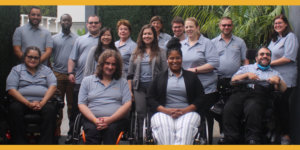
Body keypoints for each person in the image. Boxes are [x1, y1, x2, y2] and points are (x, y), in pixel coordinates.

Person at [147, 37, 205, 145]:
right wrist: (166, 111)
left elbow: (200, 98)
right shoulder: (159, 77)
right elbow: (150, 98)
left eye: (177, 58)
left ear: (182, 59)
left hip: (188, 112)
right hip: (163, 112)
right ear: (167, 60)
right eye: (171, 58)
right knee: (164, 128)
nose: (175, 61)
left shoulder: (191, 77)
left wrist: (184, 110)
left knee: (185, 129)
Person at [223, 47, 287, 144]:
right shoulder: (247, 68)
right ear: (256, 58)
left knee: (253, 107)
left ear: (270, 58)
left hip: (259, 94)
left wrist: (278, 80)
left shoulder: (274, 72)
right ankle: (230, 137)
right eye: (262, 54)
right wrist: (246, 75)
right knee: (230, 106)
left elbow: (284, 89)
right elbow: (233, 80)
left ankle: (253, 138)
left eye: (267, 55)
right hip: (242, 92)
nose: (265, 56)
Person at [78, 50, 132, 144]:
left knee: (111, 131)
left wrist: (110, 120)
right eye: (107, 63)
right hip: (92, 119)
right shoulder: (87, 81)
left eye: (113, 64)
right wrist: (95, 120)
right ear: (101, 64)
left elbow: (127, 104)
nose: (110, 67)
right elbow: (81, 104)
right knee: (92, 131)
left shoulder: (122, 82)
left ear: (117, 67)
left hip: (116, 120)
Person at [6, 46, 57, 144]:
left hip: (43, 102)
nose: (33, 60)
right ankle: (20, 143)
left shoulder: (46, 70)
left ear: (39, 59)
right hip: (22, 101)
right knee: (14, 109)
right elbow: (11, 90)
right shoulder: (16, 70)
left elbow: (53, 86)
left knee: (51, 110)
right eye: (30, 57)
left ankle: (45, 144)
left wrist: (42, 103)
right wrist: (28, 103)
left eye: (36, 57)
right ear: (25, 57)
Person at [181, 17, 219, 143]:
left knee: (205, 117)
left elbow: (214, 63)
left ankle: (206, 141)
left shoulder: (207, 43)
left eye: (191, 26)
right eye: (186, 27)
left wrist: (194, 70)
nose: (188, 29)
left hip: (206, 88)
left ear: (197, 27)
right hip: (187, 88)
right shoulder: (182, 45)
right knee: (190, 118)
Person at [127, 24, 167, 142]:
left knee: (155, 112)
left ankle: (154, 137)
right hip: (139, 87)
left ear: (154, 36)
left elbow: (165, 71)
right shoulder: (135, 52)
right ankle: (140, 138)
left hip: (155, 88)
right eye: (145, 34)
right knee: (140, 112)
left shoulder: (161, 51)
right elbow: (130, 73)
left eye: (149, 33)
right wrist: (130, 91)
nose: (147, 36)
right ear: (141, 36)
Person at [211, 16, 249, 142]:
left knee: (233, 108)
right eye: (224, 25)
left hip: (236, 81)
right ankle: (223, 132)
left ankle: (233, 135)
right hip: (218, 80)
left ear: (232, 26)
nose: (226, 27)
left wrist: (247, 76)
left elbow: (245, 60)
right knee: (217, 109)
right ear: (219, 26)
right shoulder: (213, 43)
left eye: (229, 25)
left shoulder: (240, 42)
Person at [67, 15, 101, 143]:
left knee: (93, 108)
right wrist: (70, 72)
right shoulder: (80, 40)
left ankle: (92, 134)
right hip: (80, 80)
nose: (93, 25)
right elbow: (72, 58)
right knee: (76, 109)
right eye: (91, 23)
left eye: (95, 23)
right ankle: (72, 134)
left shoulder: (104, 39)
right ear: (87, 25)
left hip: (98, 82)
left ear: (100, 24)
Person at [268, 14, 299, 144]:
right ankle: (277, 134)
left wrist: (269, 64)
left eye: (280, 23)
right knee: (276, 107)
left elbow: (289, 57)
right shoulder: (275, 39)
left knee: (283, 108)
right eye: (275, 24)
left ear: (286, 24)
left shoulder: (290, 37)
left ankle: (286, 135)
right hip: (275, 77)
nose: (277, 25)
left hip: (286, 78)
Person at [51, 14, 78, 137]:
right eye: (63, 20)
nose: (66, 22)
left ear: (71, 22)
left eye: (68, 20)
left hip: (72, 75)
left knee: (72, 105)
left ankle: (72, 131)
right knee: (58, 103)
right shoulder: (54, 38)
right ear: (60, 22)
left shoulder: (77, 39)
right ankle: (56, 130)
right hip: (57, 74)